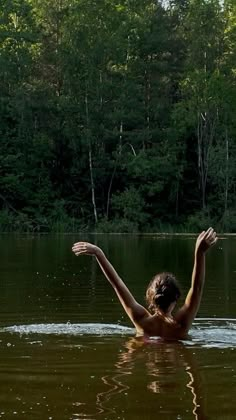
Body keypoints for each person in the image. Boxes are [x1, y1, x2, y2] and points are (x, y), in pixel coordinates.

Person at [72, 227, 217, 339]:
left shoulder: (141, 320)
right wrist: (200, 252)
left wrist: (99, 253)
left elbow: (117, 284)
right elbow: (197, 288)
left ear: (150, 297)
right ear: (176, 298)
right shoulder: (181, 325)